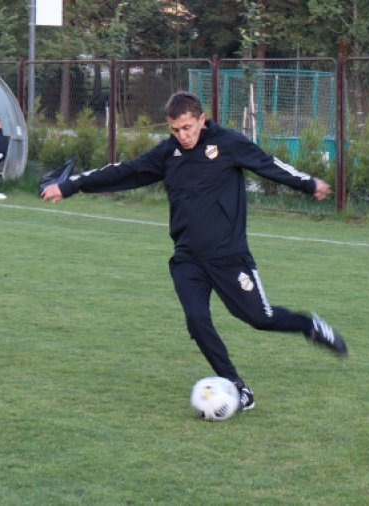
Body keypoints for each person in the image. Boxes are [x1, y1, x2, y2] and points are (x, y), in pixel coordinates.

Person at [40, 91, 348, 413]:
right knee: (197, 320)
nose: (182, 136)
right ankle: (237, 387)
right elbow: (123, 171)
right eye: (175, 130)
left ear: (201, 120)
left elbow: (268, 164)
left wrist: (308, 184)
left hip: (229, 257)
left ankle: (310, 326)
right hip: (187, 259)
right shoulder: (167, 154)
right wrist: (69, 185)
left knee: (260, 318)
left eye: (188, 128)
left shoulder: (227, 143)